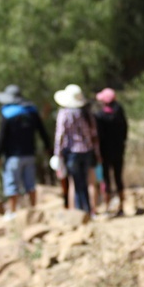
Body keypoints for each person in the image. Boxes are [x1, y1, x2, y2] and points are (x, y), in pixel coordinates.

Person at [0, 85, 52, 219]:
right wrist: (48, 148)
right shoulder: (31, 111)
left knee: (12, 184)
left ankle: (13, 212)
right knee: (30, 184)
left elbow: (1, 137)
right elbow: (42, 131)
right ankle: (33, 210)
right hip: (30, 154)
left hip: (13, 156)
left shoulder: (7, 113)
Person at [53, 84, 100, 216]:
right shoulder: (86, 113)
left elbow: (60, 135)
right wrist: (97, 153)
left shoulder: (65, 114)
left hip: (72, 153)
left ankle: (79, 212)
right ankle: (90, 211)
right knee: (87, 182)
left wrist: (57, 154)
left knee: (75, 183)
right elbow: (94, 135)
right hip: (87, 151)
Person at [94, 88, 128, 217]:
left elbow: (99, 136)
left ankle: (107, 207)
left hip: (105, 152)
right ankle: (121, 207)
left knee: (106, 179)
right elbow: (125, 131)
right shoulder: (119, 113)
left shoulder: (99, 116)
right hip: (119, 150)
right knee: (118, 178)